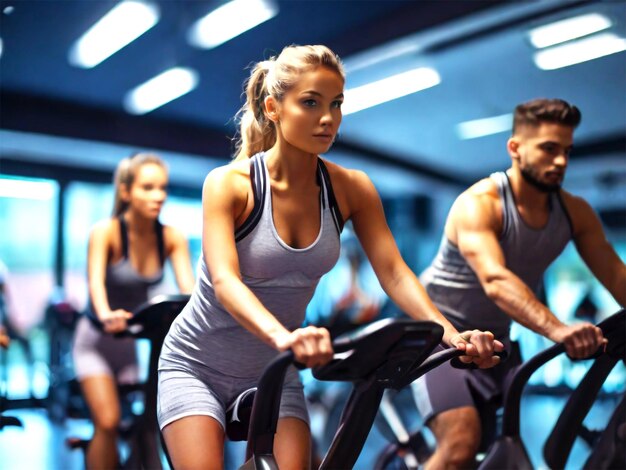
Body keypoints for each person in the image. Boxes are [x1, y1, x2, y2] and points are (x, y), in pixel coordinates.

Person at [157, 44, 503, 470]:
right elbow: (227, 281)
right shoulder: (230, 184)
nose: (328, 118)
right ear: (274, 107)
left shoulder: (351, 188)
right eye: (310, 103)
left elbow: (394, 273)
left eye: (336, 104)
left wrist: (452, 334)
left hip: (275, 369)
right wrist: (285, 337)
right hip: (198, 364)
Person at [414, 98, 625, 469]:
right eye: (548, 149)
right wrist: (559, 329)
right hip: (439, 336)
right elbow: (496, 280)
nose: (560, 160)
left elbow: (616, 274)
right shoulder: (479, 203)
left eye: (566, 151)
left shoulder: (575, 212)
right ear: (515, 148)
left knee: (502, 452)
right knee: (461, 445)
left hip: (497, 341)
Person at [71, 153, 195, 469]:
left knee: (148, 422)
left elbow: (190, 292)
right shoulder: (107, 232)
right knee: (109, 421)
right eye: (148, 187)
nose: (159, 196)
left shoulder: (171, 237)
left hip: (132, 345)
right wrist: (105, 313)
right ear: (126, 192)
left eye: (163, 188)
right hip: (96, 341)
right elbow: (95, 285)